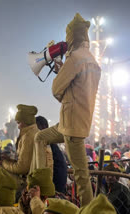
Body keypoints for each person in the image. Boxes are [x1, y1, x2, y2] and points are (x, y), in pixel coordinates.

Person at [34, 13, 101, 206]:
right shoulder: (90, 59)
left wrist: (61, 72)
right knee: (40, 137)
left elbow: (57, 89)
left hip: (70, 125)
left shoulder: (75, 59)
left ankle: (88, 210)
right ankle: (44, 182)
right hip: (77, 122)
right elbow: (79, 90)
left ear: (72, 35)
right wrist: (64, 70)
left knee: (81, 175)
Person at [2, 104, 39, 176]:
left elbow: (22, 168)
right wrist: (10, 160)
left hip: (33, 181)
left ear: (26, 121)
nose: (18, 127)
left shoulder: (28, 137)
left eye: (19, 123)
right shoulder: (32, 133)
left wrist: (3, 163)